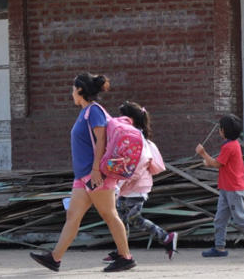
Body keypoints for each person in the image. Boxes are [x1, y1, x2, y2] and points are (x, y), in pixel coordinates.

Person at [30, 73, 137, 273]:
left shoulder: (94, 111)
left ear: (80, 90)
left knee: (109, 214)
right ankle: (55, 258)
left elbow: (102, 140)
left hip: (95, 174)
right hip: (83, 176)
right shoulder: (85, 112)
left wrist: (96, 169)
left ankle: (126, 257)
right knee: (73, 215)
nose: (71, 93)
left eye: (73, 89)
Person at [101, 101, 178, 262]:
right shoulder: (132, 134)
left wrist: (119, 183)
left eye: (121, 115)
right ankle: (122, 250)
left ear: (129, 119)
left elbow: (137, 164)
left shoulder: (134, 137)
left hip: (136, 186)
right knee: (121, 219)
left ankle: (166, 237)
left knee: (132, 218)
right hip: (128, 186)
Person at [194, 114, 244, 257]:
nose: (219, 130)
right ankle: (219, 248)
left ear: (223, 131)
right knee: (220, 219)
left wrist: (203, 153)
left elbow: (217, 163)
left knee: (240, 219)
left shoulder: (229, 146)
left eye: (220, 128)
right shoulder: (231, 145)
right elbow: (220, 163)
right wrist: (208, 161)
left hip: (233, 189)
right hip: (226, 188)